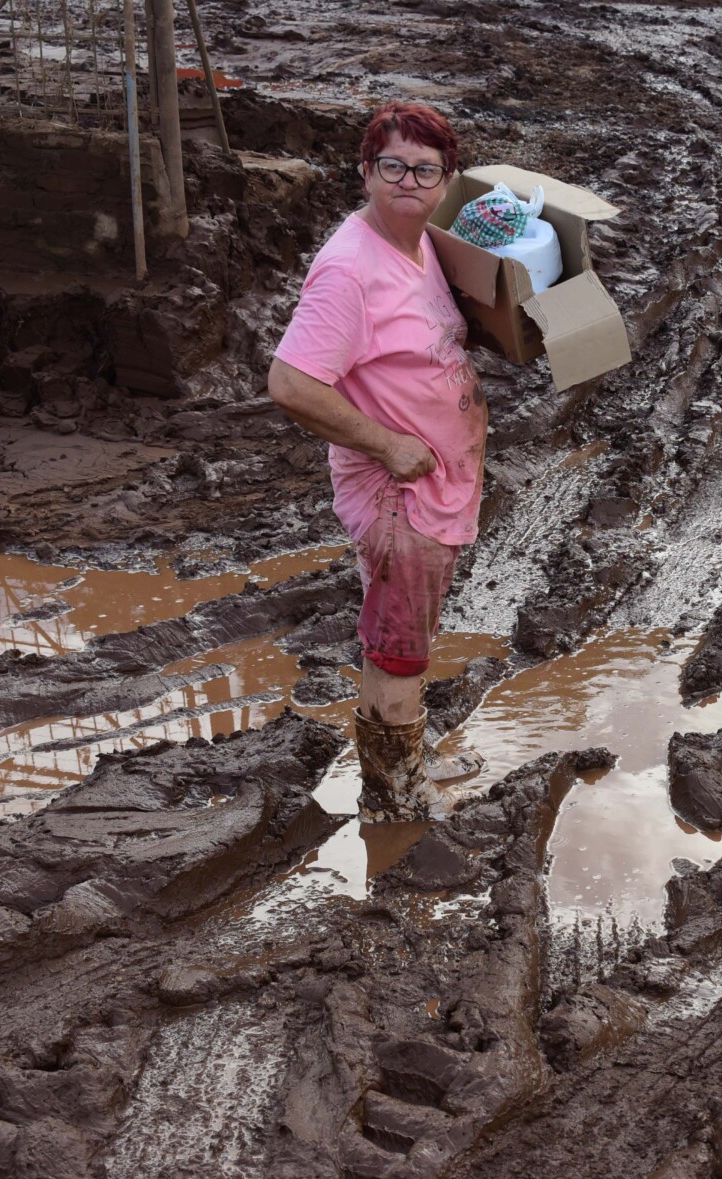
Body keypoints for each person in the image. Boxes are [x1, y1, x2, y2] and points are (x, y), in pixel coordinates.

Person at [267, 101, 487, 821]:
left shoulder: (422, 241)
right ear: (366, 173)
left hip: (430, 487)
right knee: (400, 650)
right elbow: (292, 384)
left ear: (446, 181)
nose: (408, 181)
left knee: (396, 639)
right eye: (392, 166)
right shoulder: (349, 270)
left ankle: (402, 762)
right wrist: (390, 446)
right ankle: (395, 799)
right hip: (400, 494)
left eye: (425, 169)